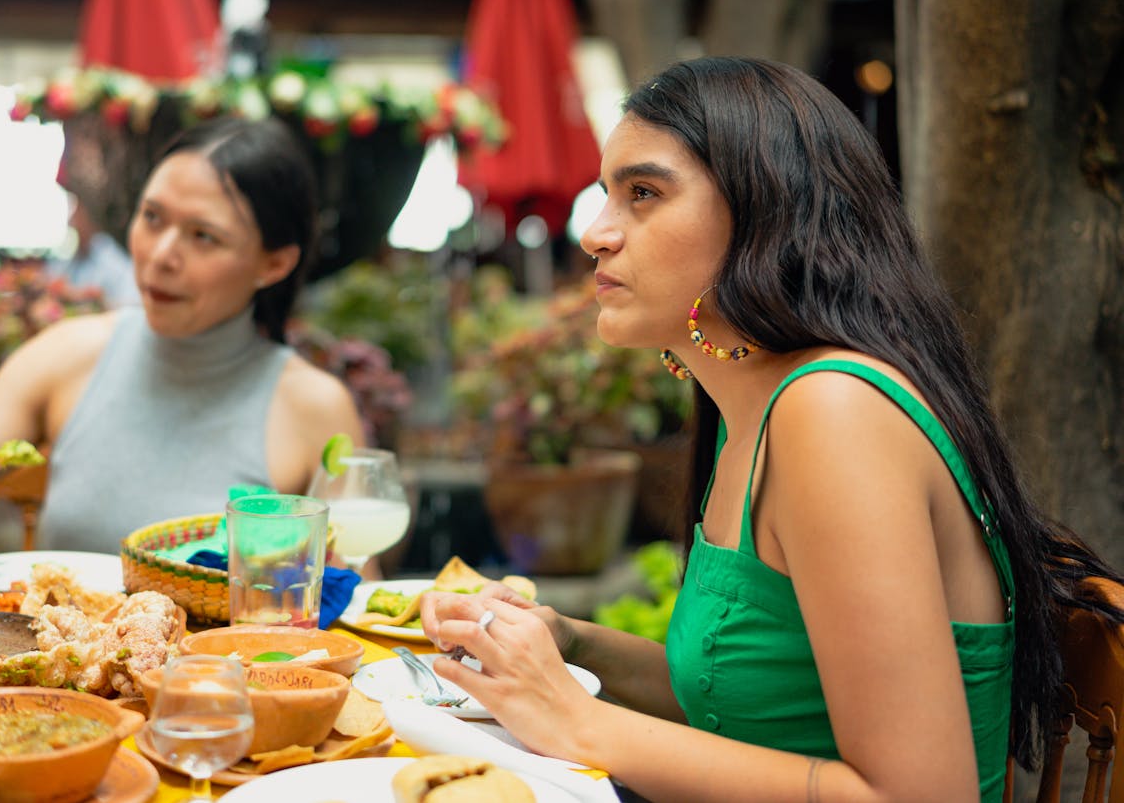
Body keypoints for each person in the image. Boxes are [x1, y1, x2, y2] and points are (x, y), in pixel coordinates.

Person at [419, 57, 1123, 802]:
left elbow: (919, 793)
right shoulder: (753, 410)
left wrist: (580, 722)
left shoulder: (834, 413)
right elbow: (757, 706)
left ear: (766, 210)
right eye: (606, 195)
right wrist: (568, 641)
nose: (596, 234)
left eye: (644, 194)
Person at [0, 117, 365, 555]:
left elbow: (359, 588)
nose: (160, 254)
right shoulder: (70, 353)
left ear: (274, 263)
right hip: (66, 661)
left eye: (203, 236)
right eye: (152, 218)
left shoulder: (315, 406)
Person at [45, 187, 139, 309]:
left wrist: (96, 300)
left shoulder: (111, 259)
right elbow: (52, 279)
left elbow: (130, 304)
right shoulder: (74, 257)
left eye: (76, 212)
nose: (70, 221)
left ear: (89, 216)